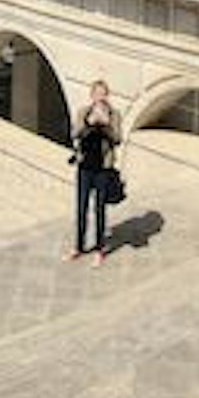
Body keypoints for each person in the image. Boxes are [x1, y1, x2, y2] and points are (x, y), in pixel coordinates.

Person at [68, 79, 123, 267]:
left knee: (99, 209)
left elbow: (117, 139)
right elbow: (75, 134)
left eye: (103, 93)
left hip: (102, 169)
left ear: (107, 96)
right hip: (85, 167)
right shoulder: (83, 112)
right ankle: (78, 246)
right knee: (81, 208)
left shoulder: (114, 114)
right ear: (92, 95)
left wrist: (106, 125)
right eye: (97, 93)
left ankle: (99, 249)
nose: (100, 97)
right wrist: (88, 123)